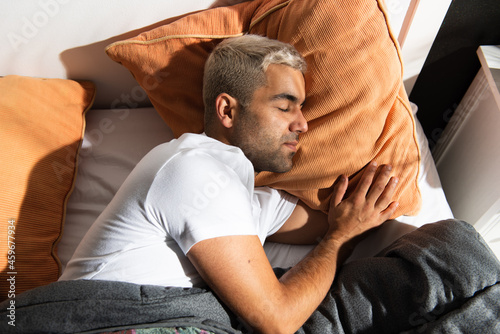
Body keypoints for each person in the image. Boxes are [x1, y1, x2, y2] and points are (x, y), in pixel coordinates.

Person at [59, 34, 400, 333]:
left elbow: (336, 218)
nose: (302, 124)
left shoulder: (243, 199)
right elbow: (276, 320)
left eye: (302, 109)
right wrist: (341, 239)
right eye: (284, 106)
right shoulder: (192, 169)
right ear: (227, 111)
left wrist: (350, 221)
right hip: (98, 321)